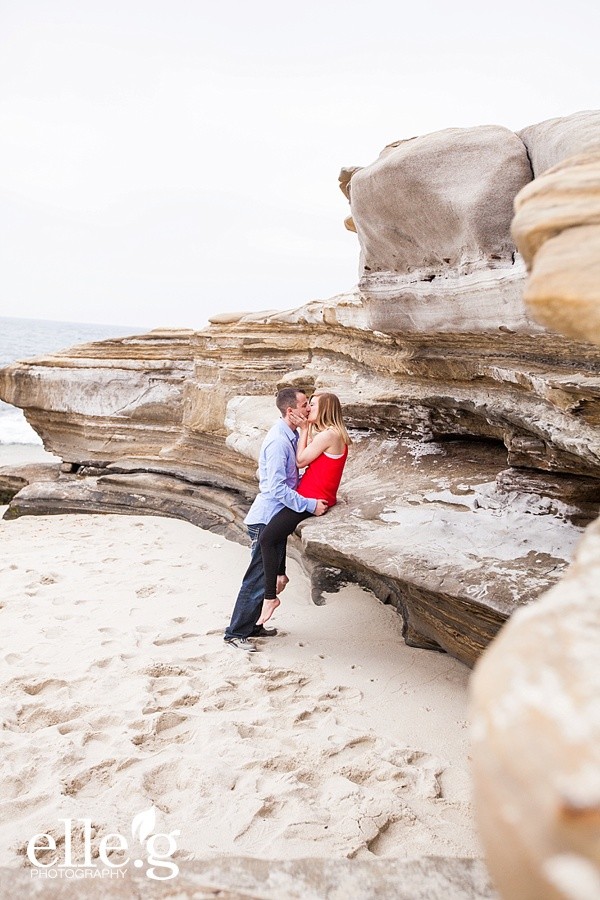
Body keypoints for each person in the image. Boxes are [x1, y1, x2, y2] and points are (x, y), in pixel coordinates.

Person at [223, 387, 328, 651]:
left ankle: (254, 626)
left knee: (271, 577)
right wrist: (309, 504)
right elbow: (277, 489)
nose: (308, 409)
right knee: (257, 578)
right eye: (305, 405)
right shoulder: (280, 441)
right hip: (265, 520)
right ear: (290, 411)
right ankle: (235, 633)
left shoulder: (291, 434)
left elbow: (294, 475)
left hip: (274, 518)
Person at [257, 392, 351, 625]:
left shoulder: (329, 434)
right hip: (308, 494)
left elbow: (300, 461)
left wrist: (304, 429)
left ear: (326, 408)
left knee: (267, 539)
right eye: (307, 404)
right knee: (277, 530)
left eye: (313, 404)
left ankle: (270, 598)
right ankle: (280, 574)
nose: (308, 409)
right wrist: (307, 430)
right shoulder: (331, 434)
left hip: (312, 498)